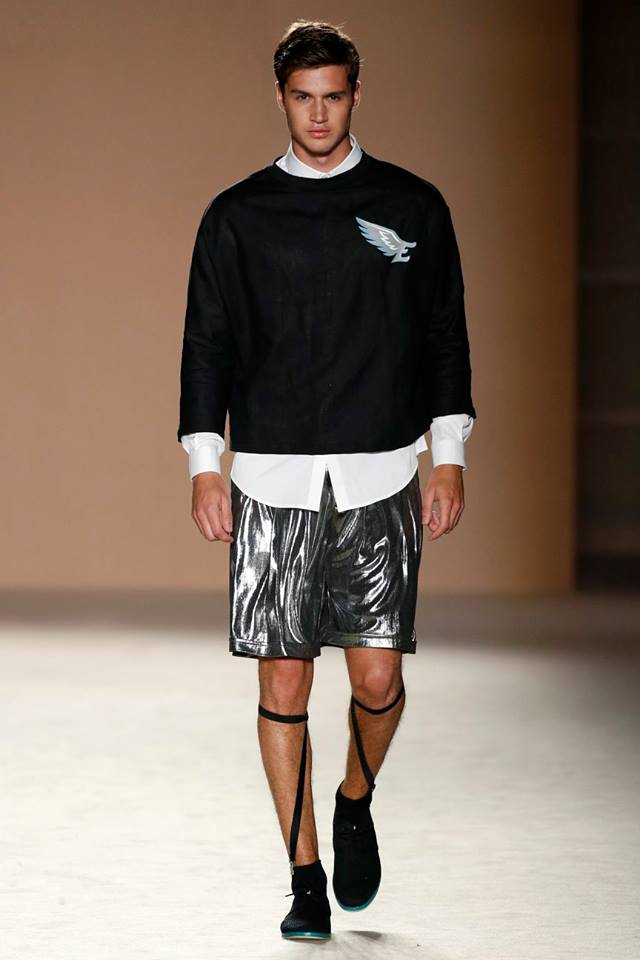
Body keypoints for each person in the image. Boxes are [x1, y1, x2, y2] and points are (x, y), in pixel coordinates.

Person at [177, 18, 476, 942]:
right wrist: (206, 465)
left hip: (382, 471)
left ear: (355, 96)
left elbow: (444, 335)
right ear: (281, 98)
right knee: (285, 684)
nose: (318, 114)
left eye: (333, 97)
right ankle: (304, 876)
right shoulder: (237, 215)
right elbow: (207, 343)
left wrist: (449, 453)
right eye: (303, 98)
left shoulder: (411, 206)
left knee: (378, 679)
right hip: (270, 479)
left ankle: (354, 798)